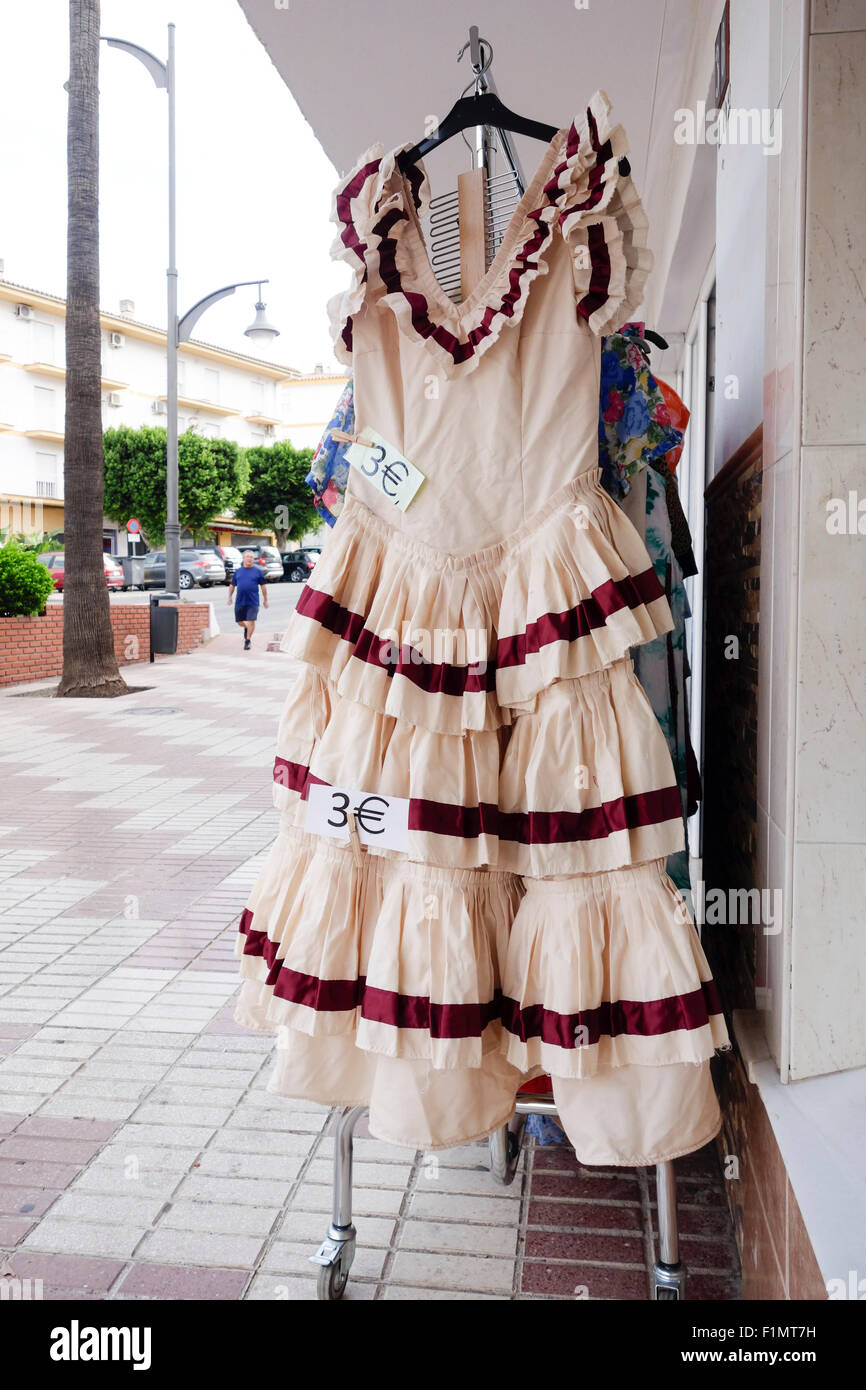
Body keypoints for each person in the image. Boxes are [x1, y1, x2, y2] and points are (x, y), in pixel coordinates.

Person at [228, 549, 268, 649]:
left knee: (251, 620)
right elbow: (232, 585)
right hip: (240, 601)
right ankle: (246, 628)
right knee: (239, 621)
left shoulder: (257, 572)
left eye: (251, 557)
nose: (249, 559)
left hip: (253, 601)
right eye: (247, 557)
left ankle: (248, 640)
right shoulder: (238, 572)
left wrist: (265, 599)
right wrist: (229, 597)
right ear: (244, 558)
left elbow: (263, 586)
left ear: (253, 560)